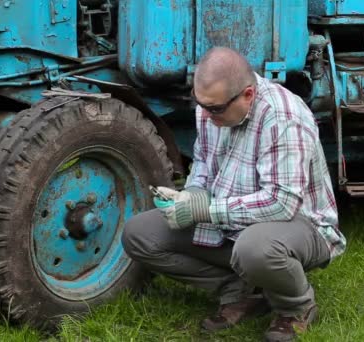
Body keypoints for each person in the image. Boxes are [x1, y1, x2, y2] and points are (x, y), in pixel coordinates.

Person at [122, 47, 346, 341]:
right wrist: (191, 194)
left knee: (254, 249)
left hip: (301, 225)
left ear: (248, 95)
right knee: (139, 234)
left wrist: (206, 211)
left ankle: (295, 307)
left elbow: (281, 203)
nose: (205, 114)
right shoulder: (213, 106)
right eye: (200, 104)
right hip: (234, 218)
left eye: (214, 109)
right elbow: (203, 161)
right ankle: (240, 292)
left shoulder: (283, 117)